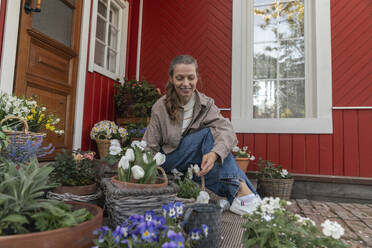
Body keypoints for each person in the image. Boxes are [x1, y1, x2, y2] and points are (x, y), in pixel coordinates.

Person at [143, 55, 260, 215]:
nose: (186, 83)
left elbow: (227, 130)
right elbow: (150, 146)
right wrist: (145, 175)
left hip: (193, 162)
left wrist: (213, 154)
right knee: (208, 134)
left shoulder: (206, 104)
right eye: (179, 78)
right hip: (168, 160)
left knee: (218, 151)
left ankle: (248, 199)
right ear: (171, 79)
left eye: (190, 78)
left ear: (197, 78)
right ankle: (246, 197)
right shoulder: (160, 107)